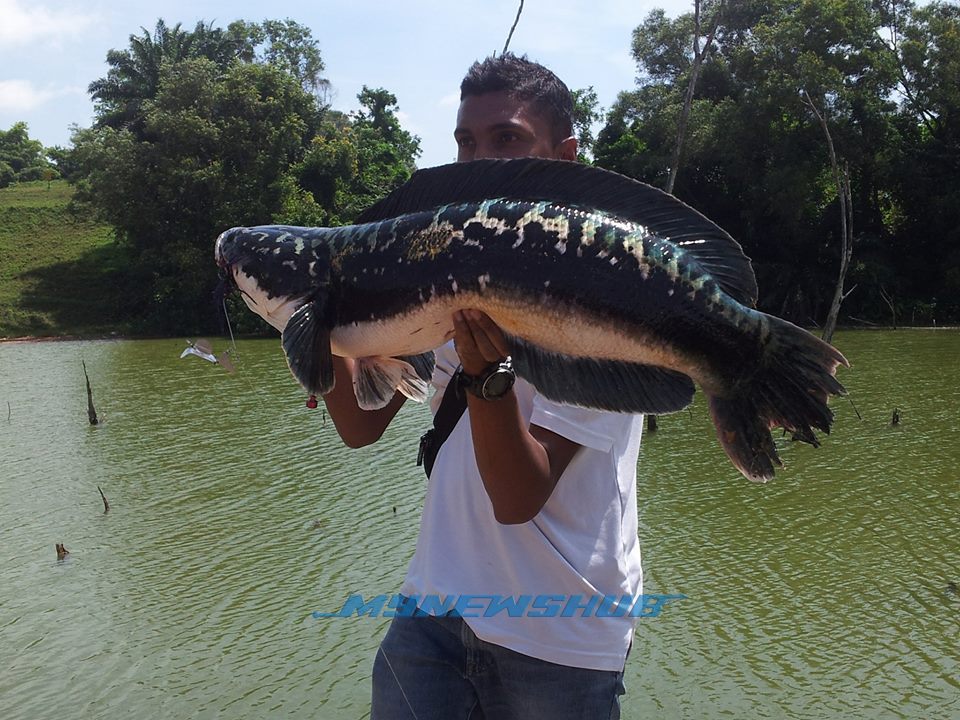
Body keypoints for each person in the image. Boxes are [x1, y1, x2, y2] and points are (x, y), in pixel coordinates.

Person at [322, 53, 644, 720]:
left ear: (565, 157)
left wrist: (488, 377)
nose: (477, 163)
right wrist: (313, 322)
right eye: (466, 142)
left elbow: (519, 494)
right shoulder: (445, 273)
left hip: (557, 636)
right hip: (432, 613)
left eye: (507, 139)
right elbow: (359, 424)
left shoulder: (607, 296)